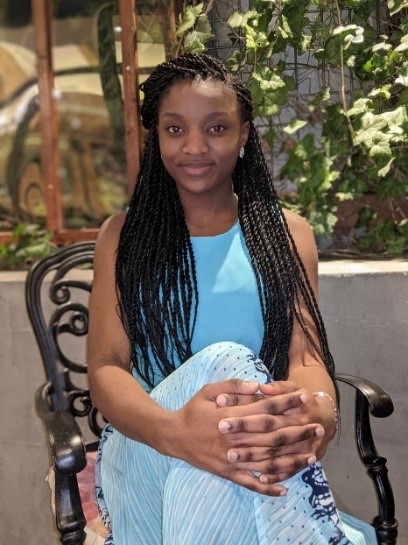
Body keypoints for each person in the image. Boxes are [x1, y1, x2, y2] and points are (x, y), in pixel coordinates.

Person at [87, 52, 377, 545]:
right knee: (226, 363)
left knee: (222, 456)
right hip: (146, 448)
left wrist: (317, 416)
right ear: (156, 139)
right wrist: (177, 431)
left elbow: (304, 358)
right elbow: (107, 368)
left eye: (216, 128)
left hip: (240, 459)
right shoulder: (123, 237)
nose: (194, 146)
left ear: (243, 135)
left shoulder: (288, 235)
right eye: (175, 130)